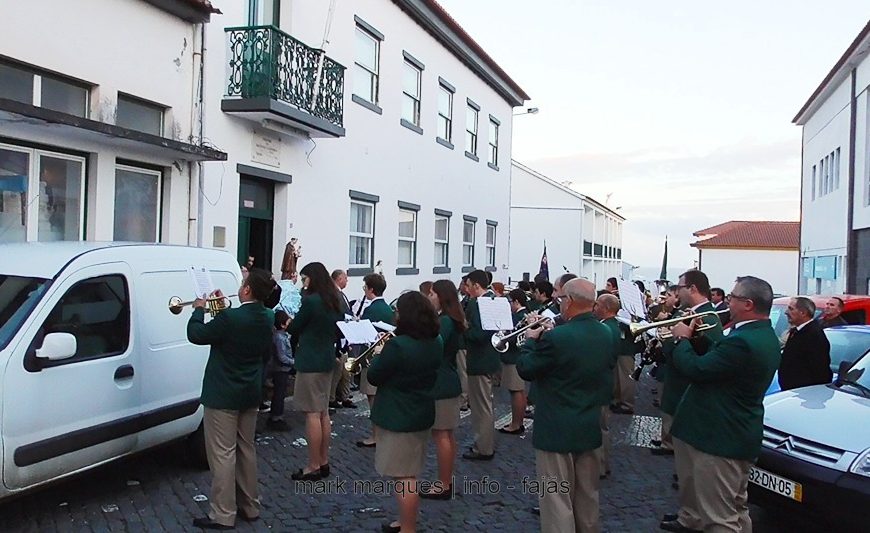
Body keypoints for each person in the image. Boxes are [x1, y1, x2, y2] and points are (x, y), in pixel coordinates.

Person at [663, 276, 780, 533]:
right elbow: (723, 361)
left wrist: (682, 340)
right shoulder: (758, 333)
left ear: (748, 304)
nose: (728, 300)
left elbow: (698, 369)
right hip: (732, 432)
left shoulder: (744, 341)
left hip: (718, 436)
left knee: (720, 519)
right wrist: (699, 339)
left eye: (733, 297)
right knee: (736, 510)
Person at [517, 279, 614, 533]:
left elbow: (526, 369)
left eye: (561, 300)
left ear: (569, 301)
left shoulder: (558, 337)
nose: (559, 304)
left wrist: (530, 340)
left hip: (556, 428)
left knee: (556, 498)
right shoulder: (606, 333)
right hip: (589, 423)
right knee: (587, 496)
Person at [187, 269, 276, 530]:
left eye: (242, 284)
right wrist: (220, 308)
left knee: (223, 454)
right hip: (249, 392)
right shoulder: (267, 316)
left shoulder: (231, 317)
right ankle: (250, 506)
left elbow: (198, 335)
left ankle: (223, 513)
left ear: (247, 290)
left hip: (223, 393)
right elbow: (233, 329)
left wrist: (198, 309)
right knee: (246, 448)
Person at [367, 291, 442, 533]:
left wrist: (379, 354)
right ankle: (404, 521)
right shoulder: (436, 340)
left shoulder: (398, 346)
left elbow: (375, 376)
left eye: (398, 311)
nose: (395, 315)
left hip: (399, 415)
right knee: (409, 472)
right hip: (421, 410)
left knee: (404, 477)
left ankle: (408, 527)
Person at [657, 270, 724, 459]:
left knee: (687, 457)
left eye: (680, 288)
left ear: (692, 288)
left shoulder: (708, 317)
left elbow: (704, 355)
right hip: (677, 384)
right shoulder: (688, 313)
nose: (677, 293)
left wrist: (674, 341)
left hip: (685, 388)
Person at [287, 262, 345, 481]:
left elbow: (295, 327)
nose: (303, 282)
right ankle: (323, 460)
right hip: (327, 358)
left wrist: (290, 321)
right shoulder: (334, 300)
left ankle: (313, 464)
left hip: (310, 360)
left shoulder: (311, 301)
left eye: (305, 279)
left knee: (312, 413)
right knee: (323, 413)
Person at [421, 279, 467, 500]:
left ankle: (444, 483)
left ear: (441, 296)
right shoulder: (449, 319)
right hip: (447, 380)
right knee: (446, 435)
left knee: (441, 435)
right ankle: (446, 480)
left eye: (432, 294)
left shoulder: (446, 322)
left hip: (442, 382)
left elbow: (433, 347)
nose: (429, 298)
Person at [462, 269, 501, 460]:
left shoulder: (479, 304)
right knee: (485, 404)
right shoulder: (494, 299)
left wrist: (464, 330)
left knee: (481, 407)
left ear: (476, 285)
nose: (466, 289)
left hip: (480, 359)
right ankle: (485, 443)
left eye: (468, 285)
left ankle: (483, 447)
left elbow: (478, 334)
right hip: (490, 358)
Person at [357, 273, 395, 448]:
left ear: (371, 289)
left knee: (373, 399)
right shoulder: (388, 309)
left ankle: (375, 435)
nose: (364, 290)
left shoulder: (370, 310)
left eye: (365, 287)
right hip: (388, 358)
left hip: (372, 358)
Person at [593, 293, 625, 479]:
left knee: (600, 426)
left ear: (605, 308)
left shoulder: (606, 328)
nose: (594, 308)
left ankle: (600, 465)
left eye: (597, 305)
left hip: (601, 381)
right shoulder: (611, 326)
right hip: (605, 379)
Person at [779, 297, 832, 391]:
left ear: (803, 313)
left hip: (803, 394)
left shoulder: (814, 336)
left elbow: (820, 371)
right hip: (791, 392)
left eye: (791, 309)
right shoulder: (797, 330)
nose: (786, 312)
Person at [498, 288, 529, 435]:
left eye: (510, 301)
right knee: (519, 392)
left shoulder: (519, 317)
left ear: (516, 302)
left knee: (516, 391)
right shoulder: (521, 315)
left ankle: (516, 424)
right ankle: (518, 422)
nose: (509, 304)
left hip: (513, 358)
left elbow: (515, 339)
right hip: (517, 358)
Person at [329, 269, 355, 410]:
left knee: (345, 370)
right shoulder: (335, 295)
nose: (347, 281)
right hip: (339, 336)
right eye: (345, 278)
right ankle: (332, 398)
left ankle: (343, 396)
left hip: (345, 337)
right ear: (339, 278)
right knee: (338, 370)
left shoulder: (340, 293)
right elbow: (341, 314)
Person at [266, 310, 293, 431]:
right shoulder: (279, 337)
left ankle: (276, 415)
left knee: (280, 393)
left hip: (283, 369)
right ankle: (276, 417)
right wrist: (294, 362)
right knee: (279, 394)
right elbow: (282, 357)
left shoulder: (282, 336)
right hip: (280, 369)